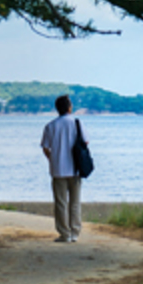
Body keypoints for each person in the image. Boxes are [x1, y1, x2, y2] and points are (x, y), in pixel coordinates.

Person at [40, 93, 88, 243]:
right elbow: (85, 143)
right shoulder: (77, 123)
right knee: (75, 203)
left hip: (58, 169)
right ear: (69, 107)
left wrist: (52, 158)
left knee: (60, 203)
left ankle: (64, 233)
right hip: (75, 169)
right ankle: (75, 232)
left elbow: (45, 147)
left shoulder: (50, 126)